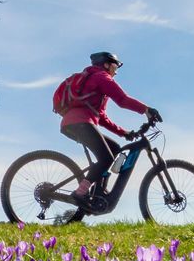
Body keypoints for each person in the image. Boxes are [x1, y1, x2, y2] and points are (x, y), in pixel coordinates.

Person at [59, 51, 162, 202]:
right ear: (106, 65)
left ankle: (98, 191)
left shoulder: (92, 80)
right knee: (106, 158)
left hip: (73, 123)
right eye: (115, 65)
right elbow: (122, 100)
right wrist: (146, 110)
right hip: (80, 123)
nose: (116, 70)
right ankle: (79, 194)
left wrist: (124, 133)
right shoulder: (102, 77)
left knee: (114, 149)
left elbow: (101, 117)